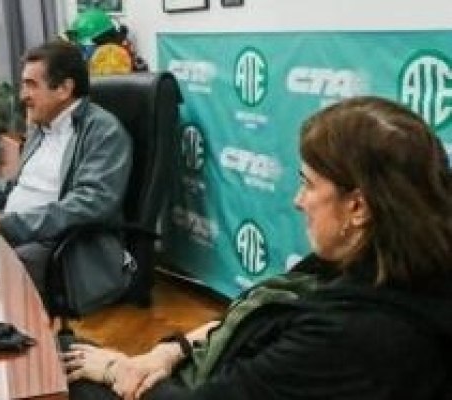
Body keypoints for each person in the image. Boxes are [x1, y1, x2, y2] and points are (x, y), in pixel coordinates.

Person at [64, 96, 452, 399]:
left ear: (358, 207)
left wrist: (117, 370)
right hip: (208, 371)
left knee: (63, 370)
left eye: (309, 184)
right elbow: (246, 320)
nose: (298, 200)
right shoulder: (371, 259)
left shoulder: (353, 335)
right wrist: (170, 351)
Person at [0, 41, 133, 301]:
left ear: (64, 89)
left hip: (64, 247)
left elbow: (89, 204)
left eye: (31, 85)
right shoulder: (41, 126)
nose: (23, 95)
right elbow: (19, 188)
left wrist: (8, 223)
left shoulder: (104, 132)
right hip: (21, 230)